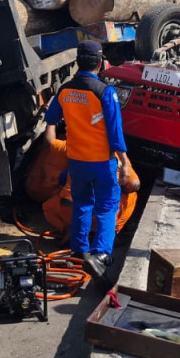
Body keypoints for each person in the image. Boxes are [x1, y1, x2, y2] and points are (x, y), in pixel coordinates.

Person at [44, 40, 128, 282]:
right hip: (102, 162)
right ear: (100, 63)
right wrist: (124, 162)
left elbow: (51, 119)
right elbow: (115, 132)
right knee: (107, 207)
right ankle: (101, 254)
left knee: (81, 203)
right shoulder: (106, 92)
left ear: (77, 62)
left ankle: (78, 251)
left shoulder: (65, 90)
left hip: (76, 161)